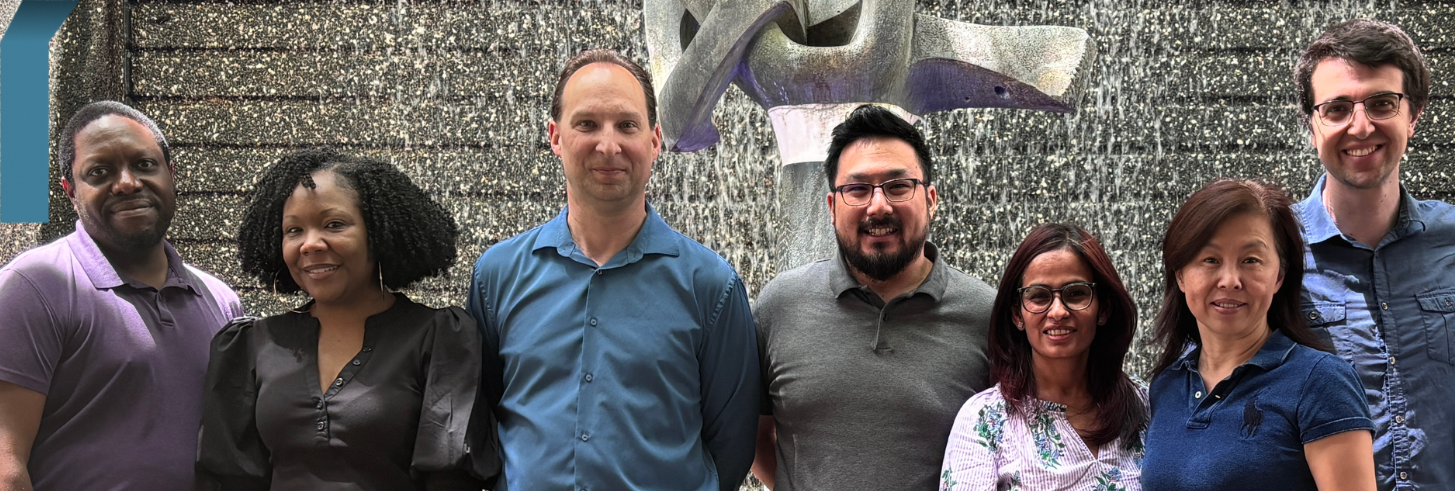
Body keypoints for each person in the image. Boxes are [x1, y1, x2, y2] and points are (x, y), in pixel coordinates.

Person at [466, 49, 760, 490]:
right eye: (587, 124)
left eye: (627, 125)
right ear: (555, 137)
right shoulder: (498, 274)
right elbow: (482, 417)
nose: (609, 145)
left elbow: (733, 444)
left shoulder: (711, 286)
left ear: (655, 140)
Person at [0, 100, 243, 490]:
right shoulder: (31, 288)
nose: (127, 182)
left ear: (171, 174)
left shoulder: (220, 301)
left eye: (144, 164)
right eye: (99, 172)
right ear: (70, 192)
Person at [195, 149, 497, 489]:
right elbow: (229, 480)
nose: (310, 244)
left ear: (380, 231)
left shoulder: (439, 340)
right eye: (293, 230)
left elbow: (450, 481)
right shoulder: (250, 346)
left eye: (333, 224)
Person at [750, 104, 997, 490]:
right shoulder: (780, 305)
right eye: (857, 189)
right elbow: (753, 434)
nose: (878, 206)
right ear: (832, 207)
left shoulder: (987, 315)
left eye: (898, 186)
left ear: (931, 199)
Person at [1288, 19, 1455, 490]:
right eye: (1336, 109)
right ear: (1311, 126)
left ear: (1413, 115)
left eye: (1381, 103)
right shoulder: (1277, 248)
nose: (1361, 125)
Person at [1143, 179, 1375, 491]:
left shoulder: (1321, 382)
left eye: (1251, 260)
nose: (1230, 280)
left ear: (1279, 275)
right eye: (1210, 260)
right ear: (1180, 274)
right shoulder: (1166, 386)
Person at [939, 223, 1148, 490]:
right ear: (1017, 315)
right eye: (1039, 296)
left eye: (1076, 293)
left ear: (1104, 308)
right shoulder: (985, 420)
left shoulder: (1144, 403)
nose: (1058, 311)